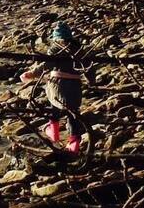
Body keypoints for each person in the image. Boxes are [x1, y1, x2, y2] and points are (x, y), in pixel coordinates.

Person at [20, 21, 92, 154]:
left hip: (57, 84)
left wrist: (31, 74)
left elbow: (46, 64)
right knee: (73, 114)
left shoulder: (55, 49)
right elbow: (88, 67)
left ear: (56, 38)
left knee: (55, 107)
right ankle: (74, 142)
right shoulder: (79, 50)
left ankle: (54, 132)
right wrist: (91, 80)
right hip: (75, 86)